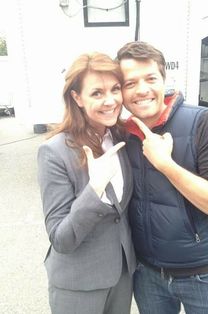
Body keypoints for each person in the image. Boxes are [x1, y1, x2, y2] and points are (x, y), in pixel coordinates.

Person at [116, 41, 208, 314]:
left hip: (203, 274)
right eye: (130, 83)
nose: (142, 90)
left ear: (164, 80)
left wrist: (166, 165)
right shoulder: (123, 133)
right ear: (121, 91)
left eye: (150, 78)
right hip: (147, 274)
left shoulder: (202, 122)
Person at [37, 52, 136, 314]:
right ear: (77, 98)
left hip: (122, 276)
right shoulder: (54, 152)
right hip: (78, 284)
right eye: (97, 93)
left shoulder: (121, 136)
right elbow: (61, 238)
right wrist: (95, 189)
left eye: (115, 89)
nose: (110, 100)